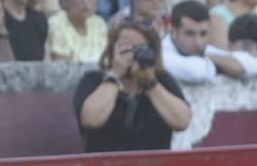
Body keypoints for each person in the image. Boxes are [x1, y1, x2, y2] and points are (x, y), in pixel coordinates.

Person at [73, 18, 191, 152]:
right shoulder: (94, 79)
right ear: (112, 50)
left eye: (139, 48)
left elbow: (182, 121)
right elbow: (91, 120)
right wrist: (115, 76)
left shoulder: (162, 81)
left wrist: (151, 83)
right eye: (124, 48)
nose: (131, 54)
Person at [162, 0, 245, 82]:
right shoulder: (162, 53)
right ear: (173, 32)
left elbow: (242, 65)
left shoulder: (204, 51)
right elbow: (197, 72)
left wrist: (209, 58)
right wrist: (218, 63)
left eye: (203, 34)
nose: (198, 42)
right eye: (190, 34)